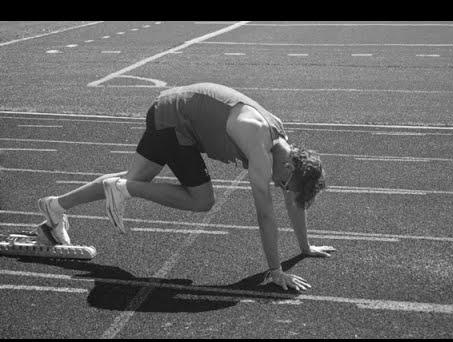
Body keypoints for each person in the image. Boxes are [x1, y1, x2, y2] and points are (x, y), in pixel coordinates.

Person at [37, 82, 336, 291]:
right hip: (175, 121)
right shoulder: (260, 145)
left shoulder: (281, 145)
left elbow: (292, 197)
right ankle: (123, 189)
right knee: (202, 199)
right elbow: (266, 216)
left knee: (133, 179)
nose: (280, 185)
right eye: (283, 182)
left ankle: (55, 207)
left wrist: (304, 247)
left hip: (167, 109)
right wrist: (275, 272)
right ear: (289, 166)